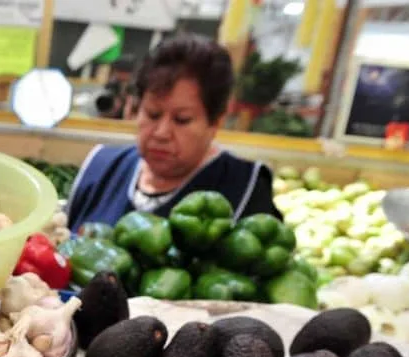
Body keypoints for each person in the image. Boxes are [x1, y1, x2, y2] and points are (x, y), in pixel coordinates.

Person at [67, 35, 281, 232]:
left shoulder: (244, 185)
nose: (161, 133)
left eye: (182, 119)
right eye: (152, 114)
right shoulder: (101, 167)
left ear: (215, 122)